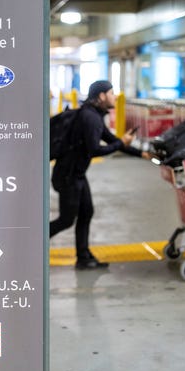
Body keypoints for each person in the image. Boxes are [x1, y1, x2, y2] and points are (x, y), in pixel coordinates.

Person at [50, 80, 150, 270]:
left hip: (75, 174)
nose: (114, 97)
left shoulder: (92, 114)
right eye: (111, 93)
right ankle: (29, 245)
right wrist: (121, 143)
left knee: (86, 212)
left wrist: (141, 153)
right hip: (68, 176)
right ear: (102, 96)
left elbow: (112, 140)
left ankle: (84, 257)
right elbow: (95, 150)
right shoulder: (91, 118)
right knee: (66, 220)